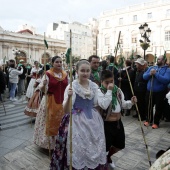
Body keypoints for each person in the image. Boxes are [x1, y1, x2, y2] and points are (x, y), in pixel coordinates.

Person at [50, 60, 107, 170]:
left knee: (93, 145)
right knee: (78, 147)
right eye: (82, 71)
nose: (85, 73)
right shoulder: (72, 86)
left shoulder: (94, 86)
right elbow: (66, 110)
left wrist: (109, 93)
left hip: (93, 120)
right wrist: (69, 98)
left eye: (87, 71)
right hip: (75, 120)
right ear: (77, 71)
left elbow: (100, 104)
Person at [98, 70, 137, 168]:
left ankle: (108, 157)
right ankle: (103, 162)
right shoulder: (99, 91)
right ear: (101, 81)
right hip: (106, 124)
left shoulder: (118, 90)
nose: (110, 84)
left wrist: (131, 102)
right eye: (107, 82)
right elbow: (103, 105)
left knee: (120, 144)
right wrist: (109, 91)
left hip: (118, 122)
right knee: (105, 146)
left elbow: (123, 104)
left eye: (111, 81)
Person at [33, 56, 68, 149]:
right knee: (49, 120)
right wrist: (44, 85)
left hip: (62, 102)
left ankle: (61, 142)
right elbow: (43, 90)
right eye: (57, 62)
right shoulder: (48, 74)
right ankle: (49, 145)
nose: (59, 64)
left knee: (61, 121)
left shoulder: (65, 74)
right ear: (52, 63)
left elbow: (67, 87)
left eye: (60, 62)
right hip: (50, 100)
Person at [143, 55, 170, 129]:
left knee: (158, 108)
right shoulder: (152, 68)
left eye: (159, 59)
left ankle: (156, 122)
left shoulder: (167, 70)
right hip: (150, 91)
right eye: (157, 59)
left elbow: (166, 80)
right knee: (148, 106)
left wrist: (156, 74)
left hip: (160, 92)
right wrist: (150, 74)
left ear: (164, 61)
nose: (157, 60)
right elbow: (144, 77)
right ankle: (148, 120)